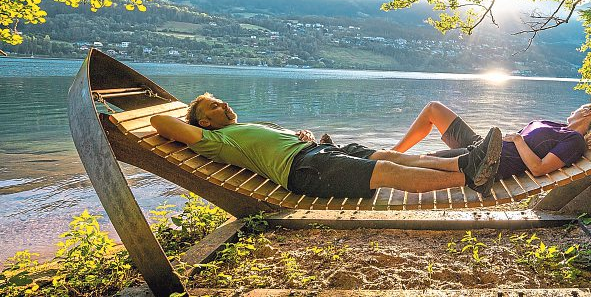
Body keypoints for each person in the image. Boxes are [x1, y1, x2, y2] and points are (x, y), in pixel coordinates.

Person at [150, 93, 504, 199]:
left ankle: (468, 164)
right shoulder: (212, 138)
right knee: (389, 171)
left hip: (316, 152)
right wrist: (193, 118)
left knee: (392, 155)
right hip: (305, 170)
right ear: (205, 123)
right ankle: (469, 179)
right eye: (214, 106)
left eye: (220, 100)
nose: (223, 104)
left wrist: (300, 136)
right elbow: (159, 123)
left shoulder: (238, 127)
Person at [391, 101, 591, 179]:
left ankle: (381, 164)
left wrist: (519, 140)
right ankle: (395, 151)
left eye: (581, 108)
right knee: (434, 109)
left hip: (489, 160)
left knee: (425, 160)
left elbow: (539, 169)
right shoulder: (559, 127)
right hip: (485, 145)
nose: (576, 109)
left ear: (588, 113)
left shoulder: (574, 141)